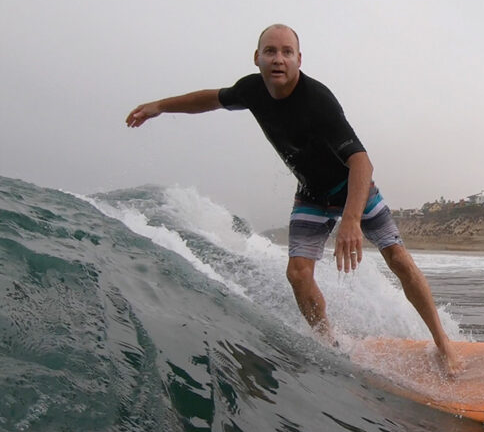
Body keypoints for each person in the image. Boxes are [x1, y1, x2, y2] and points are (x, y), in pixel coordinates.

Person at [126, 24, 461, 374]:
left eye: (287, 52)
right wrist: (160, 106)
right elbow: (210, 99)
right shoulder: (251, 90)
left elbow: (361, 161)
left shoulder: (318, 100)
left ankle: (443, 344)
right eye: (270, 51)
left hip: (351, 188)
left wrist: (350, 220)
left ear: (299, 59)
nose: (278, 59)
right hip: (311, 195)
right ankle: (330, 343)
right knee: (298, 274)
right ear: (256, 58)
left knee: (398, 258)